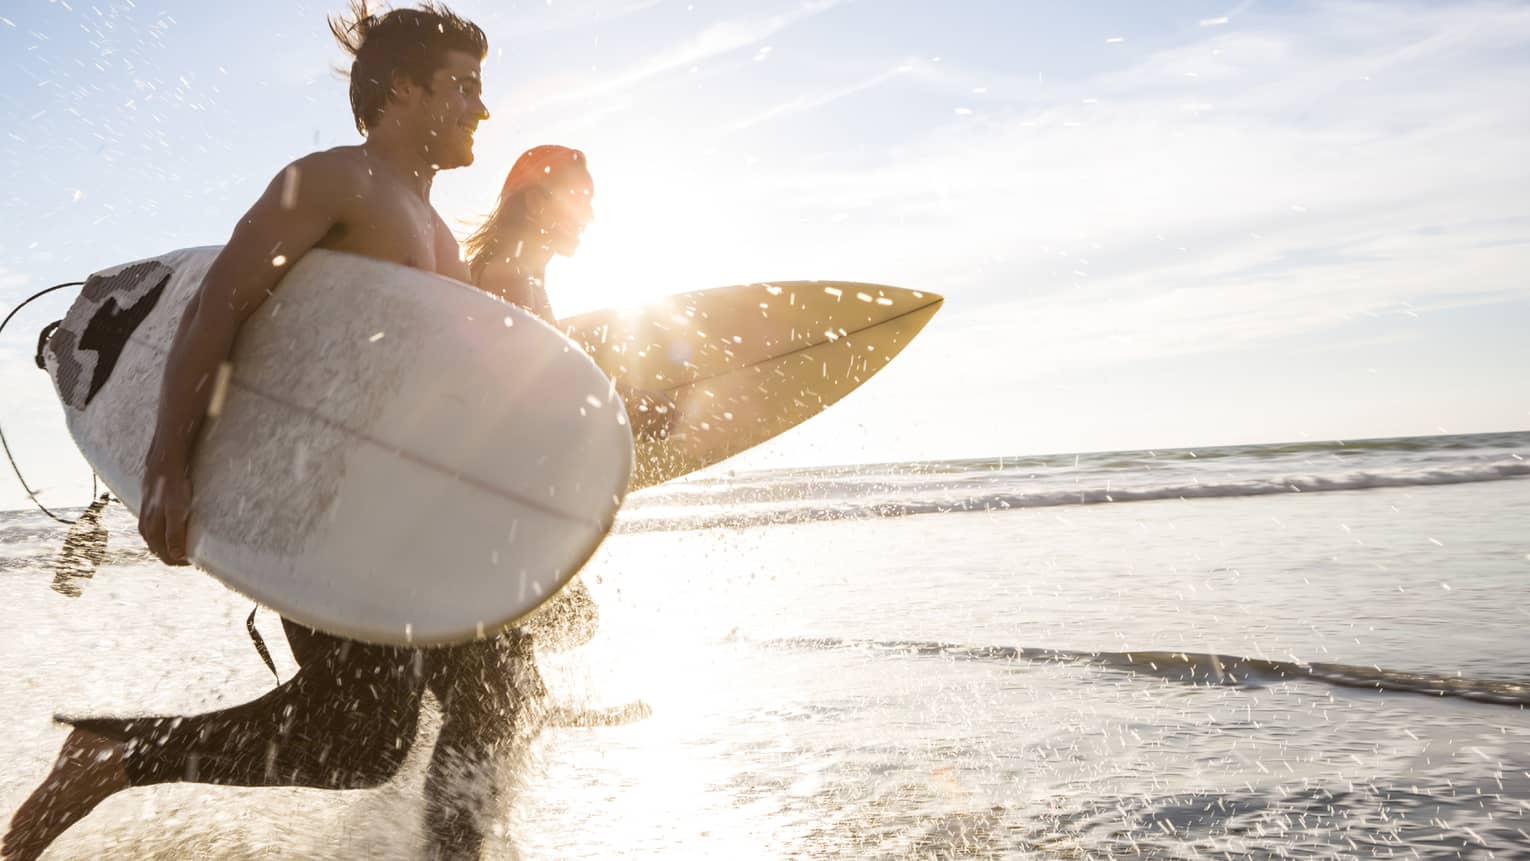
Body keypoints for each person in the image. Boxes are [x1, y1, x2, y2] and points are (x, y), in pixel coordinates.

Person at [1, 5, 530, 860]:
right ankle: (112, 756)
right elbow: (220, 306)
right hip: (308, 495)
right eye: (463, 86)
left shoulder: (436, 233)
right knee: (361, 737)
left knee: (490, 684)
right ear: (402, 88)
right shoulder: (331, 182)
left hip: (390, 510)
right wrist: (167, 462)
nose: (482, 107)